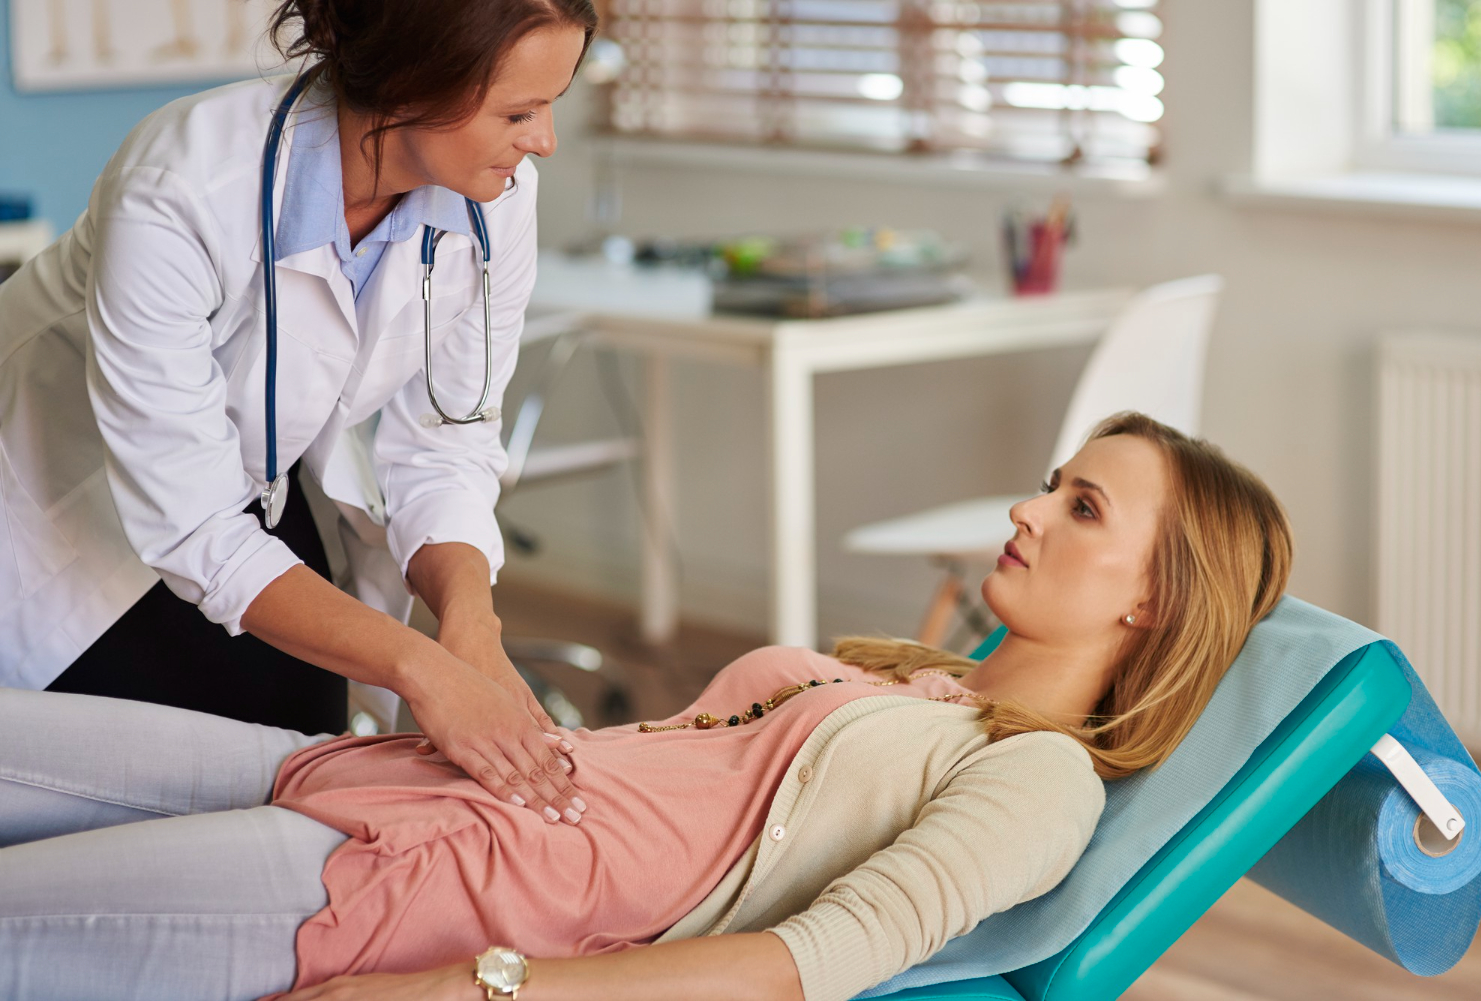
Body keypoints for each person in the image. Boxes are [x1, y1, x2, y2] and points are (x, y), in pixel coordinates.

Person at [0, 413, 1295, 1001]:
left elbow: (811, 964)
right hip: (386, 774)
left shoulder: (1043, 779)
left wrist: (482, 990)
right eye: (1052, 480)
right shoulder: (923, 678)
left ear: (1156, 606)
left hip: (421, 879)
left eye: (1083, 508)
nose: (1027, 507)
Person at [0, 0, 596, 821]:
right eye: (519, 112)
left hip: (252, 492)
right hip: (59, 525)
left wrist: (470, 626)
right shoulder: (179, 186)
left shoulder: (494, 200)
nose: (544, 142)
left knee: (305, 784)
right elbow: (196, 526)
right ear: (415, 82)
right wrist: (424, 668)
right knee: (138, 818)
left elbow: (447, 445)